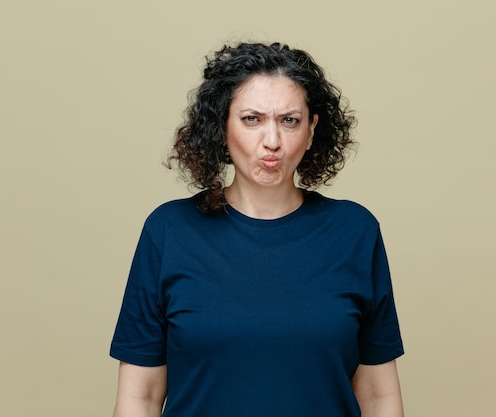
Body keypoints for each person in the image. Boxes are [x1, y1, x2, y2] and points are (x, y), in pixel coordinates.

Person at [110, 41, 404, 417]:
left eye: (290, 120)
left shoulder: (354, 232)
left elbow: (379, 396)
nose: (272, 142)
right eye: (252, 119)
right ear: (221, 126)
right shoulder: (169, 231)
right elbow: (141, 397)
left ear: (312, 130)